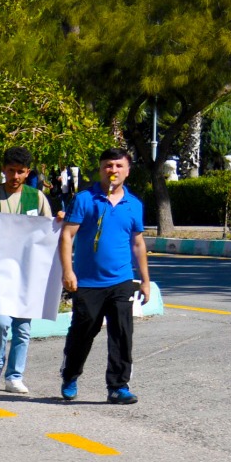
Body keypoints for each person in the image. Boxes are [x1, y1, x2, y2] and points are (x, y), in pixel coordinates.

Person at [59, 149, 151, 404]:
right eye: (108, 165)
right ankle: (70, 375)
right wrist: (68, 271)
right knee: (82, 334)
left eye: (118, 165)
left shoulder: (134, 205)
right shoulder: (84, 199)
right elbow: (67, 236)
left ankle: (118, 386)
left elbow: (137, 244)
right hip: (87, 282)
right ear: (100, 169)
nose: (113, 170)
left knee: (122, 334)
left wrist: (144, 280)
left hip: (121, 281)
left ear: (127, 170)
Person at [0, 148, 54, 395]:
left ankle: (15, 376)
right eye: (11, 170)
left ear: (27, 172)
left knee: (22, 327)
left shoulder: (37, 197)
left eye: (20, 171)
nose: (15, 176)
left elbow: (49, 231)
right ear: (3, 169)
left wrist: (61, 219)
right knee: (0, 322)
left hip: (27, 272)